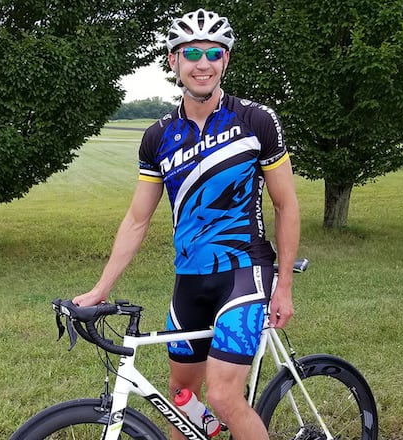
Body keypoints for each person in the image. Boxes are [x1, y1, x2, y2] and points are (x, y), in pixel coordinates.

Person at [73, 8, 300, 440]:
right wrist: (102, 288)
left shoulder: (255, 121)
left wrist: (283, 286)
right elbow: (138, 219)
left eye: (214, 53)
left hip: (243, 271)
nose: (203, 63)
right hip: (190, 277)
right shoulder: (158, 136)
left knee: (223, 397)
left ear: (225, 62)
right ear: (174, 61)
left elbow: (286, 206)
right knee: (181, 400)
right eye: (191, 53)